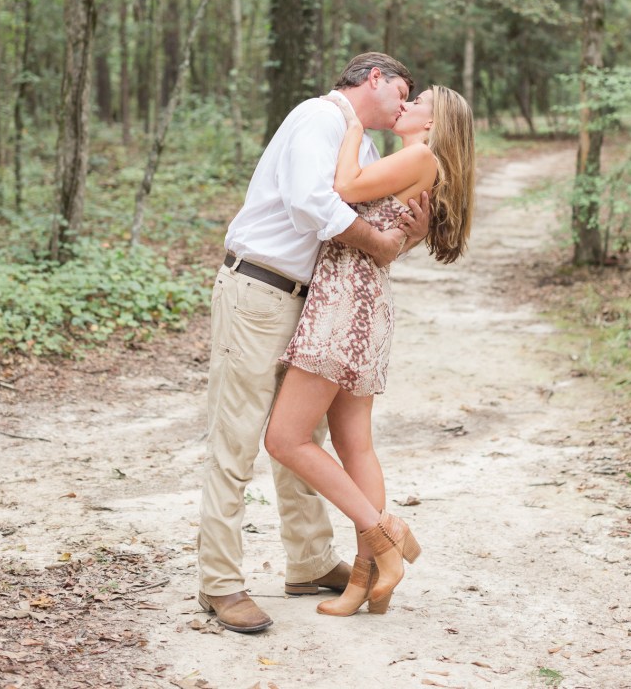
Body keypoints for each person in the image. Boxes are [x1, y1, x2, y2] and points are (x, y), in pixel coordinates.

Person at [197, 53, 431, 633]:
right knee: (239, 434)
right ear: (373, 78)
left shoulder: (368, 146)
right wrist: (379, 243)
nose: (404, 104)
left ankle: (307, 561)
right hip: (260, 288)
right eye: (401, 91)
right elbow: (312, 202)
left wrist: (399, 238)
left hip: (312, 299)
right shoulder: (316, 118)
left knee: (302, 435)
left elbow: (378, 226)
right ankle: (220, 582)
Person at [265, 85, 476, 617]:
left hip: (344, 302)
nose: (404, 106)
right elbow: (387, 233)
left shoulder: (419, 155)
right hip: (362, 300)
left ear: (436, 120)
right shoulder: (413, 161)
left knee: (285, 438)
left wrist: (351, 120)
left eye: (417, 100)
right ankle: (365, 580)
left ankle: (385, 535)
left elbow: (344, 186)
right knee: (354, 445)